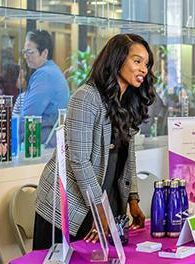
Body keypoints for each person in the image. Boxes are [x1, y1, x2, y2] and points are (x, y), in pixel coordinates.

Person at [32, 33, 156, 250]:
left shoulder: (127, 101)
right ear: (117, 60)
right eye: (137, 61)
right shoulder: (86, 97)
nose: (144, 69)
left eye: (146, 64)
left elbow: (128, 156)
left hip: (103, 203)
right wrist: (100, 209)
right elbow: (79, 160)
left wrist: (133, 199)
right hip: (68, 208)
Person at [21, 29, 70, 147]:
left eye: (30, 52)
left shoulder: (44, 75)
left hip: (42, 146)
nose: (26, 56)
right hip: (52, 144)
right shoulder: (53, 71)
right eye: (24, 51)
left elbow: (29, 116)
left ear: (44, 53)